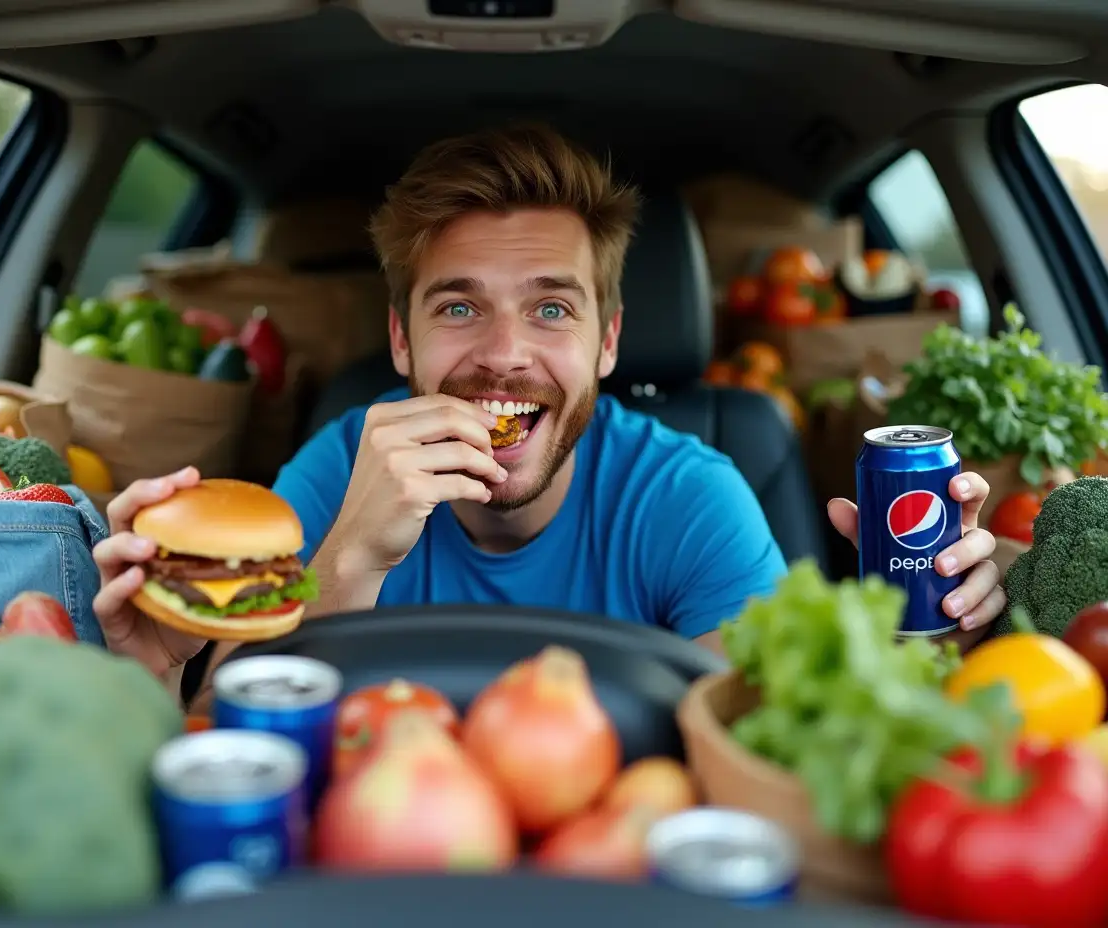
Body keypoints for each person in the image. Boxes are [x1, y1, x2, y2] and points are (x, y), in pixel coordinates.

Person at [91, 125, 1005, 706]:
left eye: (551, 308)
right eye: (457, 307)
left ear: (607, 342)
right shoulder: (337, 465)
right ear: (400, 343)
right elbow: (222, 724)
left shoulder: (691, 494)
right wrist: (348, 558)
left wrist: (928, 647)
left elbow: (760, 737)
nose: (504, 353)